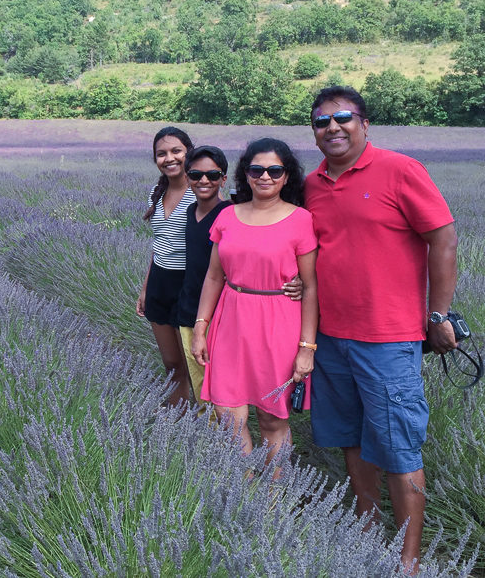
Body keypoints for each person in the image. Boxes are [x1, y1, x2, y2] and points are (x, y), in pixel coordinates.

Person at [303, 85, 458, 574]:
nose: (333, 128)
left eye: (343, 118)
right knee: (352, 438)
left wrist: (438, 316)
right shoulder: (311, 185)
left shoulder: (401, 170)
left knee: (397, 445)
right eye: (322, 121)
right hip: (330, 337)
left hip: (388, 338)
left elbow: (443, 239)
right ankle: (367, 530)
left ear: (364, 123)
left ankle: (408, 559)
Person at [190, 138, 318, 468]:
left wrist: (307, 347)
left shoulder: (301, 219)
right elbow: (214, 277)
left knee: (272, 421)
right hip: (231, 321)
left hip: (278, 326)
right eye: (256, 169)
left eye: (275, 170)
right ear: (245, 174)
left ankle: (274, 501)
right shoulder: (228, 216)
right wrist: (200, 328)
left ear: (287, 176)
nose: (265, 176)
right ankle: (245, 495)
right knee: (228, 416)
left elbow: (310, 287)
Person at [136, 126, 195, 406]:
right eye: (161, 154)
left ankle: (212, 423)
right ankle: (178, 420)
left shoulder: (201, 191)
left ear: (189, 153)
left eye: (176, 151)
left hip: (190, 284)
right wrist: (146, 288)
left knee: (196, 363)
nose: (169, 158)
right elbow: (158, 245)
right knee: (171, 362)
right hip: (160, 283)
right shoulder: (155, 193)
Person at [174, 145, 232, 412]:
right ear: (187, 178)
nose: (204, 181)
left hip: (221, 316)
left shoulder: (231, 215)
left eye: (212, 175)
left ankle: (229, 444)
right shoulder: (189, 212)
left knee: (221, 388)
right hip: (188, 311)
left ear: (224, 178)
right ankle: (213, 443)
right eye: (196, 175)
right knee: (200, 385)